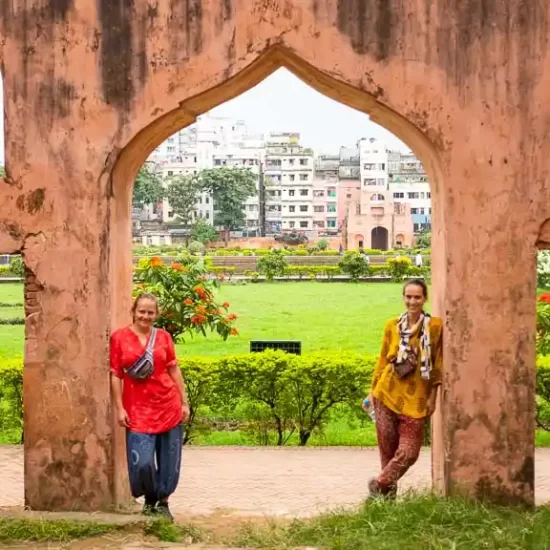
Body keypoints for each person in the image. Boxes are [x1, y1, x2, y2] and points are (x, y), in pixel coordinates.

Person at [110, 292, 190, 521]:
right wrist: (119, 407)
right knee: (142, 461)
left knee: (169, 458)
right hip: (136, 408)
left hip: (168, 404)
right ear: (134, 312)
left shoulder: (163, 337)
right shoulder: (119, 338)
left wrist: (184, 402)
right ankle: (150, 497)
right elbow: (116, 374)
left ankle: (163, 503)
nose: (145, 316)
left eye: (150, 312)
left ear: (156, 314)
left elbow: (174, 369)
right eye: (141, 311)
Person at [366, 279, 442, 499]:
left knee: (409, 453)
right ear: (403, 298)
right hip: (386, 395)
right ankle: (386, 505)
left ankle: (378, 484)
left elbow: (437, 364)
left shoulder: (434, 327)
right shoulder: (392, 326)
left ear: (424, 299)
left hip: (416, 400)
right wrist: (372, 390)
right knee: (387, 455)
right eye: (408, 297)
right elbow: (382, 360)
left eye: (417, 297)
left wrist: (433, 397)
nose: (412, 301)